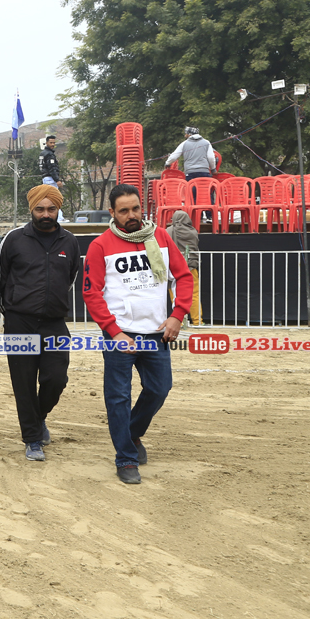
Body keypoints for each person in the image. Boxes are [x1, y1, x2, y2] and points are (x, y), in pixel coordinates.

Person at [83, 184, 193, 484]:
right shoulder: (100, 246)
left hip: (157, 334)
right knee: (118, 397)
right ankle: (126, 458)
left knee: (160, 389)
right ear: (112, 212)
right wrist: (113, 331)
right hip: (120, 336)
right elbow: (91, 293)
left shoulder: (161, 237)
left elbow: (183, 277)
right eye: (124, 211)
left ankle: (130, 434)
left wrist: (177, 315)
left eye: (135, 209)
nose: (131, 215)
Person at [0, 184, 81, 462]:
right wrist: (6, 312)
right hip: (19, 322)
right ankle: (32, 439)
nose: (46, 214)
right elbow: (1, 277)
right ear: (31, 209)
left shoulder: (69, 241)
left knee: (56, 379)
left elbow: (70, 277)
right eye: (40, 209)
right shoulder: (14, 239)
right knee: (23, 384)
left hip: (54, 323)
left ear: (58, 210)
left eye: (51, 209)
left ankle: (39, 417)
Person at [168, 210, 202, 325]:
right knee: (194, 294)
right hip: (190, 267)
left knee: (175, 294)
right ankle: (197, 321)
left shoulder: (169, 231)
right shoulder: (193, 232)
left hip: (174, 268)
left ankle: (179, 321)